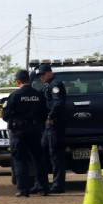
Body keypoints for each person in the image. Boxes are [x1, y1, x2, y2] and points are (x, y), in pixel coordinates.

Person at [2, 70, 49, 197]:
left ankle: (23, 190)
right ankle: (43, 188)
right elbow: (45, 113)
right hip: (35, 130)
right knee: (39, 159)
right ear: (29, 80)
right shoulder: (39, 95)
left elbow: (5, 115)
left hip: (19, 132)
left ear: (18, 81)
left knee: (20, 160)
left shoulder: (14, 95)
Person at [36, 64, 67, 194]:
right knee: (41, 152)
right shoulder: (47, 85)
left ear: (50, 72)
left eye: (43, 74)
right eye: (40, 75)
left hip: (54, 123)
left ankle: (58, 185)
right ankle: (40, 183)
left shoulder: (55, 84)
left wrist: (51, 115)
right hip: (48, 125)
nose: (42, 77)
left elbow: (58, 102)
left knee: (56, 155)